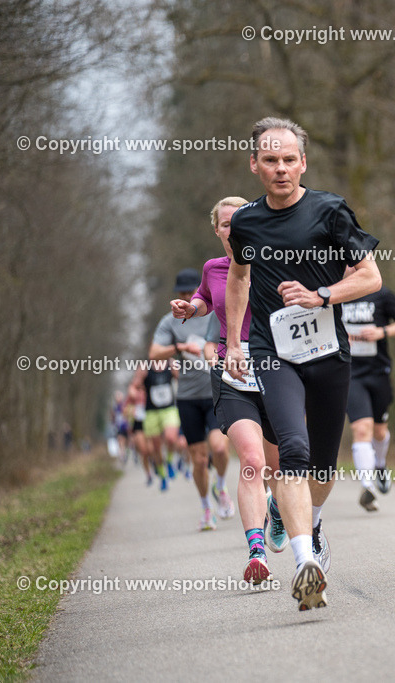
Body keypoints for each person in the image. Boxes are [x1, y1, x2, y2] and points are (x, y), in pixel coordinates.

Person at [225, 116, 381, 610]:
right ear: (254, 164)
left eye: (289, 159)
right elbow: (238, 278)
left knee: (323, 464)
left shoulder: (330, 211)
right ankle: (303, 562)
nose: (280, 168)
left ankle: (311, 524)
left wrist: (321, 295)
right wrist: (235, 342)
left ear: (303, 163)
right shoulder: (245, 222)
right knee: (292, 448)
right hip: (273, 353)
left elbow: (371, 277)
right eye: (270, 160)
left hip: (328, 351)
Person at [172, 195, 282, 584]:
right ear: (217, 231)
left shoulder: (277, 260)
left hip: (276, 370)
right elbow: (205, 297)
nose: (233, 228)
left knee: (279, 467)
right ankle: (256, 552)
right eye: (225, 223)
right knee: (251, 461)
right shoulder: (213, 268)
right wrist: (192, 308)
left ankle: (279, 510)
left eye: (240, 220)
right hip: (231, 371)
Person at [152, 268, 234, 531]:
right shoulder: (169, 322)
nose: (187, 296)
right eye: (183, 292)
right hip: (187, 397)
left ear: (199, 289)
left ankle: (220, 486)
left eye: (191, 291)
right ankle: (206, 509)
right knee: (198, 459)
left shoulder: (215, 313)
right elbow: (154, 353)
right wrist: (179, 348)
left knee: (219, 448)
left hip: (217, 391)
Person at [341, 282, 395, 511]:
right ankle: (368, 487)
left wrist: (381, 332)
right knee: (361, 429)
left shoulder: (381, 294)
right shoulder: (335, 293)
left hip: (378, 373)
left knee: (379, 431)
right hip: (350, 374)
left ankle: (380, 465)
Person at [131, 362, 180, 491]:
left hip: (169, 409)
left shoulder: (171, 363)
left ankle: (169, 460)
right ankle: (162, 475)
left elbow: (182, 380)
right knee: (155, 449)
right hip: (151, 412)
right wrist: (135, 390)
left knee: (171, 438)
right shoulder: (145, 367)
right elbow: (134, 386)